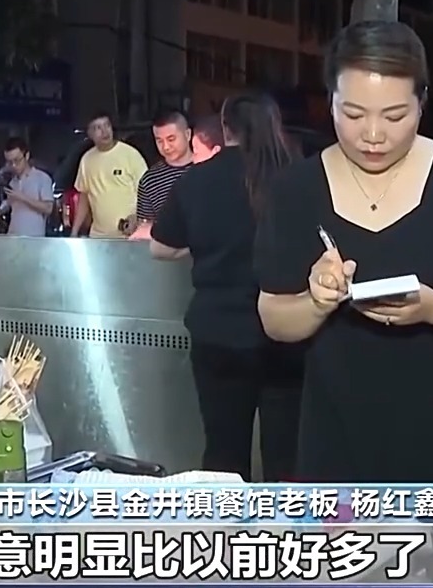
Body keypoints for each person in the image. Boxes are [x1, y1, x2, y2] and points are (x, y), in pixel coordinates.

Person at [254, 22, 433, 524]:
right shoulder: (296, 189)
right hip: (338, 422)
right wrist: (315, 302)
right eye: (353, 114)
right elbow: (273, 317)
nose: (373, 134)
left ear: (422, 103)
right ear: (330, 102)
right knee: (346, 556)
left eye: (395, 116)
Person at [150, 93, 303, 480]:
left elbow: (160, 247)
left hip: (218, 334)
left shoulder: (199, 179)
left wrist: (202, 242)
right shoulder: (298, 177)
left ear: (226, 128)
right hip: (285, 335)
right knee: (285, 456)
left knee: (223, 453)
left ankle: (225, 521)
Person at [71, 112, 148, 238]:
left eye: (107, 125)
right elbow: (84, 197)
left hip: (130, 235)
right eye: (98, 128)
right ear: (90, 134)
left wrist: (137, 217)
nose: (104, 131)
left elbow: (147, 192)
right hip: (98, 236)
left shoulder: (130, 154)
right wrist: (74, 231)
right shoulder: (86, 160)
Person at [131, 111, 196, 240]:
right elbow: (145, 227)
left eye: (171, 139)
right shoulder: (149, 181)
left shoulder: (206, 169)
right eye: (159, 141)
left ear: (187, 135)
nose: (166, 147)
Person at [0, 137, 55, 237]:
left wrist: (22, 197)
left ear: (27, 156)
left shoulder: (42, 178)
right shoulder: (12, 181)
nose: (14, 165)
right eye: (10, 162)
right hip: (13, 236)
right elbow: (9, 205)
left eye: (17, 160)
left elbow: (48, 208)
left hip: (33, 237)